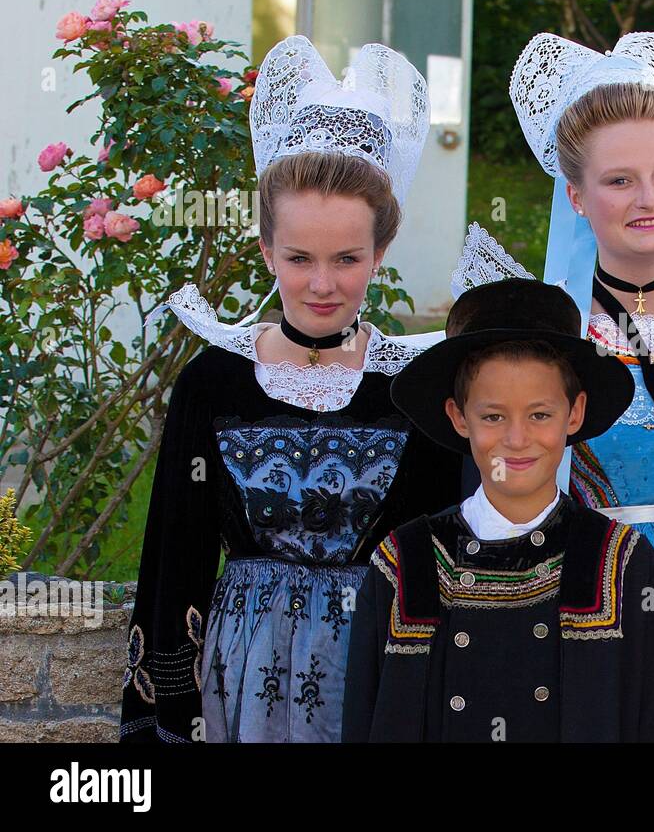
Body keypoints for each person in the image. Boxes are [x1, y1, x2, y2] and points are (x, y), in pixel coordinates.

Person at [119, 36, 464, 742]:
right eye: (299, 257)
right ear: (265, 248)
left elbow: (444, 561)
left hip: (379, 670)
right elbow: (173, 556)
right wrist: (166, 715)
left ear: (381, 253)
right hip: (238, 678)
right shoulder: (212, 382)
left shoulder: (414, 388)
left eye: (348, 258)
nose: (321, 283)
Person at [450, 31, 654, 662]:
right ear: (575, 196)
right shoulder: (549, 341)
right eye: (618, 180)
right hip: (582, 605)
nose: (648, 199)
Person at [342, 278, 654, 742]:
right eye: (493, 416)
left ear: (574, 414)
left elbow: (648, 720)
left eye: (540, 415)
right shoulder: (403, 562)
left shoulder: (618, 561)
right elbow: (364, 719)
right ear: (459, 417)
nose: (516, 440)